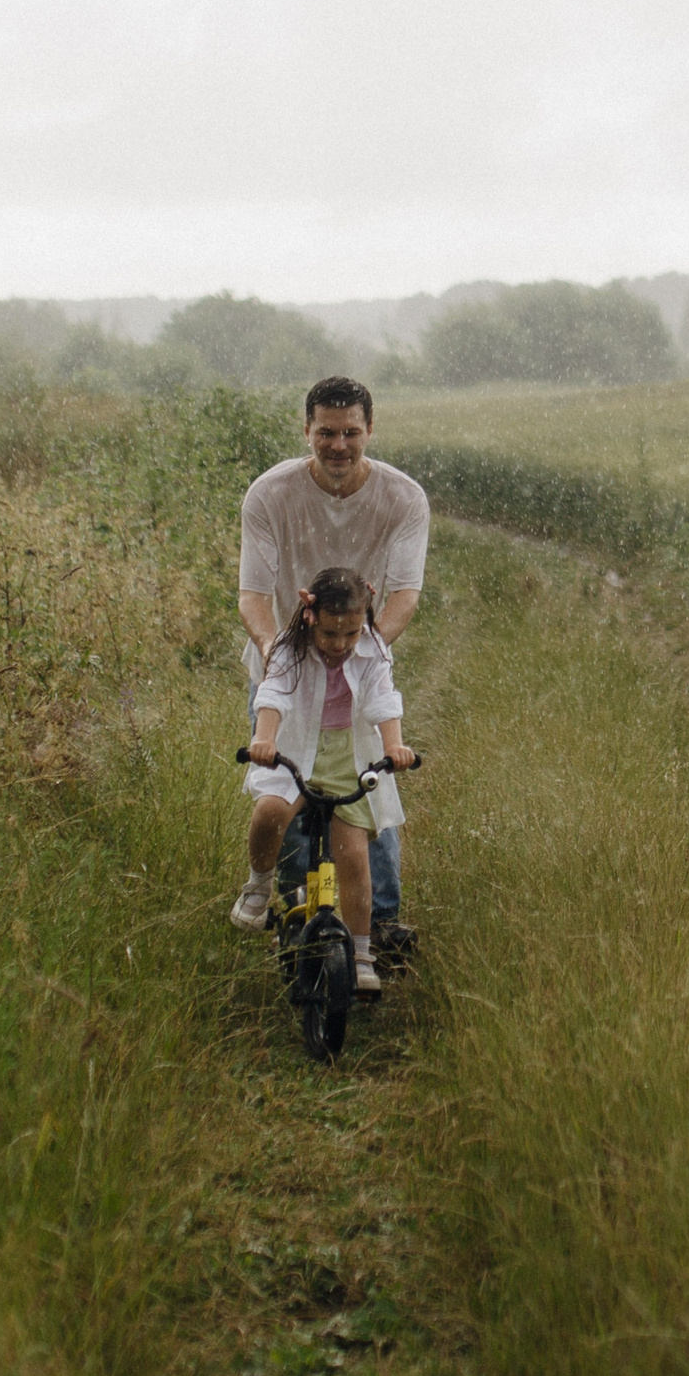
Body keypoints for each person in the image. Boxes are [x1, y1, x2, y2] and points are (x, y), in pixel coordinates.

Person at [237, 375, 429, 955]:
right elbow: (252, 595)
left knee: (367, 797)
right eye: (326, 433)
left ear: (370, 430)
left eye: (350, 433)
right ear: (307, 431)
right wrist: (281, 654)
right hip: (285, 668)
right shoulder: (270, 494)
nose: (338, 445)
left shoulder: (402, 498)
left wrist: (360, 653)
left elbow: (403, 596)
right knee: (288, 797)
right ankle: (296, 915)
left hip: (358, 662)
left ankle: (380, 925)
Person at [232, 568, 418, 993]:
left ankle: (360, 951)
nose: (340, 646)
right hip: (296, 745)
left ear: (363, 623)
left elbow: (382, 699)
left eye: (350, 634)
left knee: (353, 855)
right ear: (311, 619)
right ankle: (258, 885)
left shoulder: (370, 649)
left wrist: (394, 747)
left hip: (345, 752)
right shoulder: (287, 648)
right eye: (331, 635)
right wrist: (264, 738)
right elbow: (273, 693)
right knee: (270, 811)